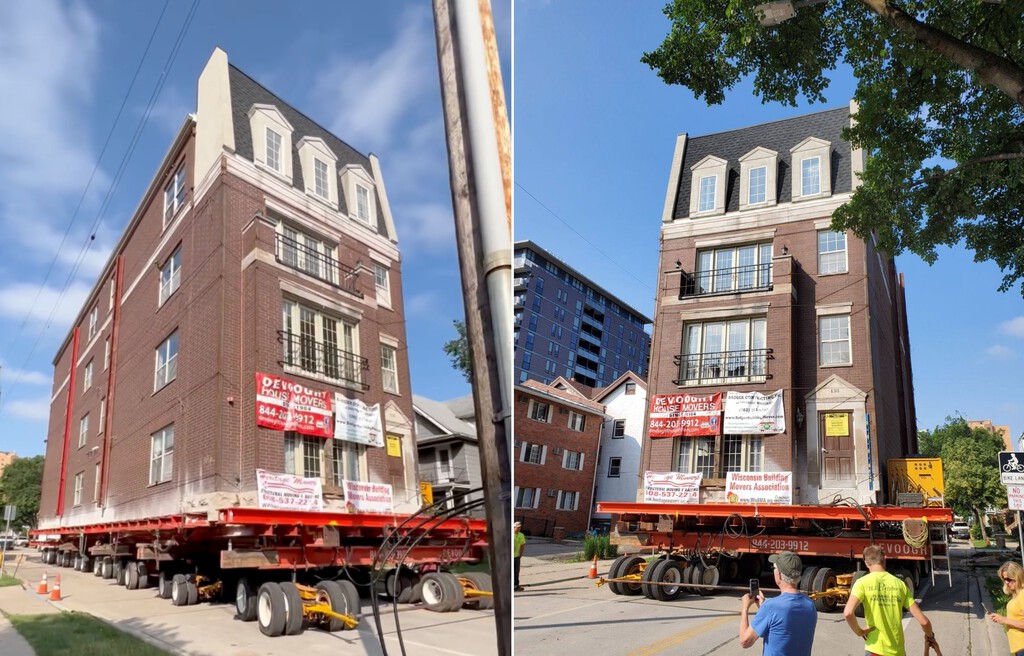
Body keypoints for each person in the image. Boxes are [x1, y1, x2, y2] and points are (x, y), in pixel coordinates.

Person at [844, 544, 938, 655]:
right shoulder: (900, 585)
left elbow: (848, 613)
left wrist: (860, 632)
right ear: (885, 559)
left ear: (866, 563)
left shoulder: (862, 583)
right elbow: (924, 621)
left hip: (874, 649)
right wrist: (930, 636)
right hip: (896, 651)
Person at [738, 551, 817, 655]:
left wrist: (745, 608)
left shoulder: (771, 607)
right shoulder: (810, 605)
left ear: (778, 574)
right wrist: (763, 608)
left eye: (774, 568)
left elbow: (745, 641)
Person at [986, 560, 1024, 655]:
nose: (1006, 582)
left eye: (1009, 579)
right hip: (1018, 647)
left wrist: (1005, 620)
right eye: (1004, 580)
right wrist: (1000, 619)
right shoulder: (1017, 595)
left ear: (1017, 576)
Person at [513, 521, 525, 592]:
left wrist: (520, 555)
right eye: (517, 527)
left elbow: (522, 545)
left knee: (516, 571)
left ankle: (516, 586)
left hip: (516, 557)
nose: (519, 528)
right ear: (514, 527)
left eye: (520, 527)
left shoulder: (521, 535)